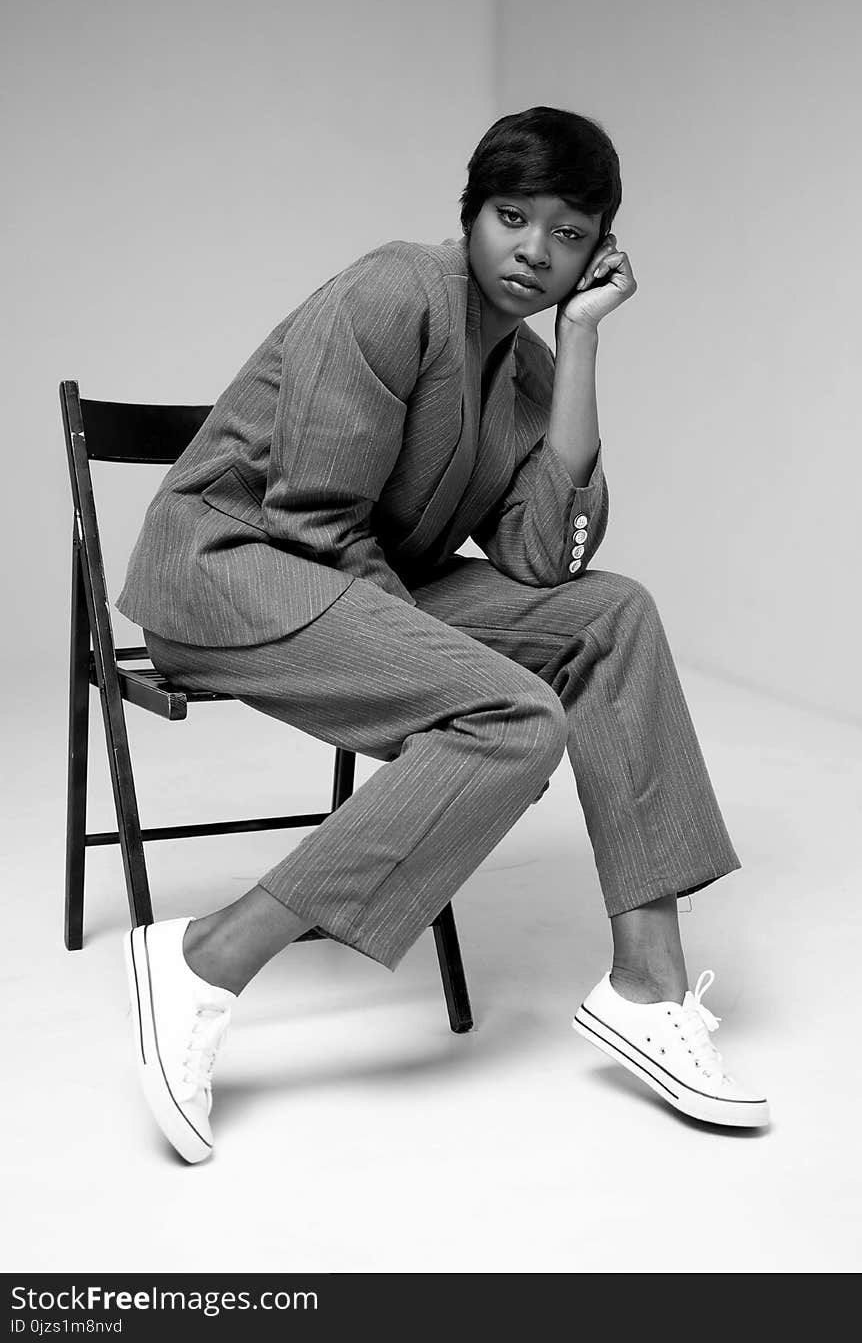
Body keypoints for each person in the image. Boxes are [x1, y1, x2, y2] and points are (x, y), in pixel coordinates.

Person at [116, 105, 768, 1163]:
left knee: (611, 612)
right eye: (513, 217)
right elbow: (311, 521)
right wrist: (445, 671)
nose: (534, 252)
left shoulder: (523, 371)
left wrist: (580, 344)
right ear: (471, 213)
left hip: (364, 588)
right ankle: (202, 958)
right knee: (515, 716)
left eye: (568, 234)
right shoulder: (393, 290)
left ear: (599, 251)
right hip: (236, 575)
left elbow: (541, 560)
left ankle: (647, 983)